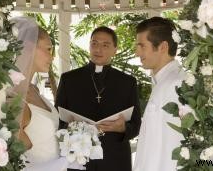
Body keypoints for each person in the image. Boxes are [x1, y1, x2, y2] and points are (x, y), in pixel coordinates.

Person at [55, 26, 141, 171]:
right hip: (78, 160)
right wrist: (71, 127)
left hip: (115, 160)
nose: (98, 49)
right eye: (94, 43)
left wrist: (123, 128)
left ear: (115, 49)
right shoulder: (69, 79)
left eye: (105, 45)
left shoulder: (127, 82)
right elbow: (58, 119)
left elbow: (136, 125)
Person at [10, 17, 80, 171]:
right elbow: (18, 154)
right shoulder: (14, 98)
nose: (52, 56)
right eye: (48, 49)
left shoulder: (34, 89)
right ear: (29, 47)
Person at [133, 17, 185, 171]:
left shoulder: (175, 84)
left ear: (163, 47)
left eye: (142, 46)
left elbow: (171, 147)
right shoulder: (163, 82)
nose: (137, 52)